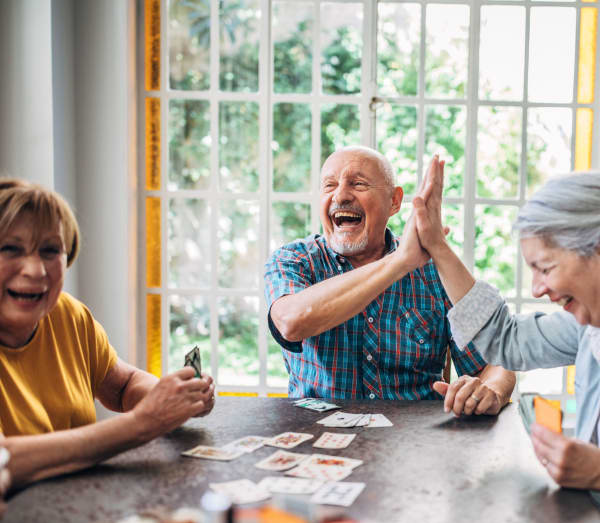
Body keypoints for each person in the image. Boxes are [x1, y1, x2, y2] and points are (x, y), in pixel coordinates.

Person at [0, 178, 215, 493]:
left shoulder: (68, 315)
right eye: (10, 248)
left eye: (50, 250)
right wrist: (142, 423)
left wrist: (170, 400)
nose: (36, 270)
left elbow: (123, 386)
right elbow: (6, 461)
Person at [264, 146, 515, 411]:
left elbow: (496, 360)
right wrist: (399, 262)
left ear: (394, 202)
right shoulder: (294, 260)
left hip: (414, 441)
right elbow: (291, 323)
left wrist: (491, 391)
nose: (340, 195)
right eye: (329, 185)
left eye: (358, 184)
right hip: (314, 437)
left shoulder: (436, 271)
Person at [411, 157, 600, 490]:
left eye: (545, 268)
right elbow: (506, 339)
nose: (537, 289)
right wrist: (437, 247)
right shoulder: (586, 328)